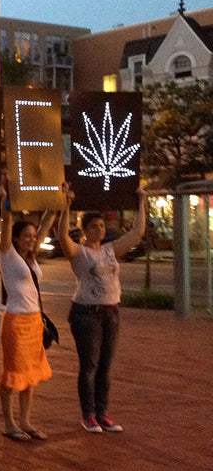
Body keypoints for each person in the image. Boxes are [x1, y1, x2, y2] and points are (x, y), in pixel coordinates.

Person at [57, 183, 146, 434]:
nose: (99, 229)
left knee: (105, 367)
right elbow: (63, 235)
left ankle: (102, 412)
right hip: (86, 314)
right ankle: (88, 416)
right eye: (94, 226)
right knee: (90, 366)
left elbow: (136, 234)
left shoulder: (110, 250)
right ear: (84, 230)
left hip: (111, 313)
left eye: (101, 226)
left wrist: (141, 201)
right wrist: (66, 204)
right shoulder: (80, 253)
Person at [0, 182, 56, 441]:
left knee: (30, 375)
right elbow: (6, 222)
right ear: (16, 238)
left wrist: (59, 202)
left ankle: (25, 421)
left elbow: (44, 226)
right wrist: (6, 200)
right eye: (27, 236)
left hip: (34, 322)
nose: (32, 240)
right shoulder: (8, 254)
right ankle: (9, 424)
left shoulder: (31, 258)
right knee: (13, 373)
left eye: (33, 237)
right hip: (16, 322)